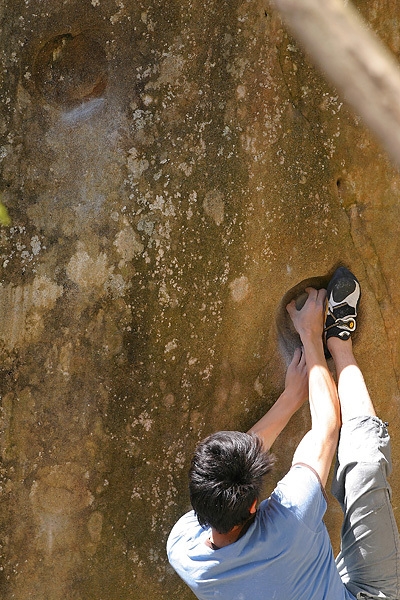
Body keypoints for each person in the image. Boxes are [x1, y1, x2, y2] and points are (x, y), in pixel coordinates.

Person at [167, 267, 400, 600]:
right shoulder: (288, 521)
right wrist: (311, 337)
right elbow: (326, 429)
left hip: (306, 580)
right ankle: (339, 342)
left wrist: (290, 398)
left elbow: (234, 466)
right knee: (364, 467)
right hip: (367, 594)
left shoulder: (184, 549)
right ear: (252, 508)